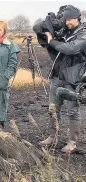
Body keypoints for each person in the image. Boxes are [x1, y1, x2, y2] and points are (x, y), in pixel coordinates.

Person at [39, 5, 86, 153]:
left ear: (77, 18)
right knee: (53, 108)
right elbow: (37, 28)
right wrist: (50, 22)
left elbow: (71, 49)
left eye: (69, 19)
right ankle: (52, 137)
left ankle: (72, 142)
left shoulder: (83, 33)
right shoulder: (63, 30)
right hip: (58, 75)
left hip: (74, 79)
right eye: (65, 20)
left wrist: (52, 41)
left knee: (73, 111)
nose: (67, 23)